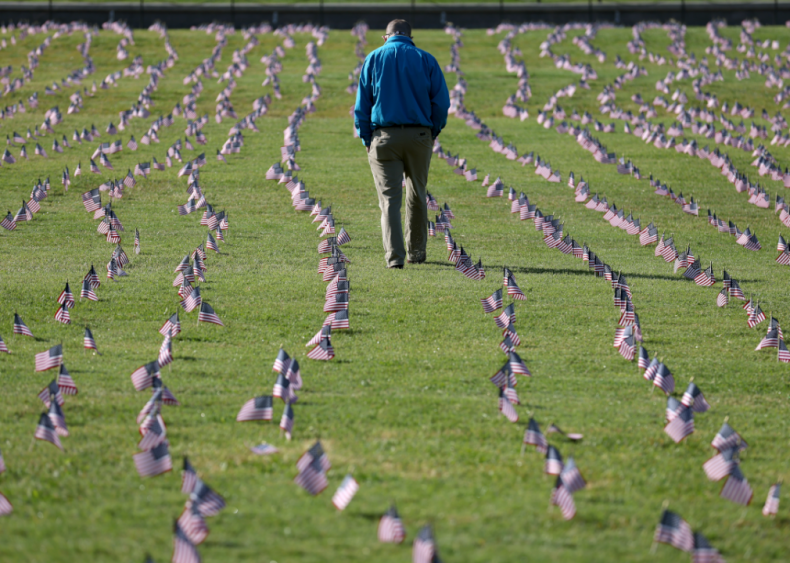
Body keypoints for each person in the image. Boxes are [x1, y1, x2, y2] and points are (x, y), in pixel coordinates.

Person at [354, 19, 450, 269]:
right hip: (419, 136)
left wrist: (367, 138)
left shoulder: (373, 59)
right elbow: (441, 103)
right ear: (410, 37)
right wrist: (432, 132)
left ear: (385, 37)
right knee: (417, 195)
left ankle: (394, 257)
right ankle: (416, 252)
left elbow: (362, 106)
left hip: (384, 136)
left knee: (389, 200)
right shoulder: (426, 59)